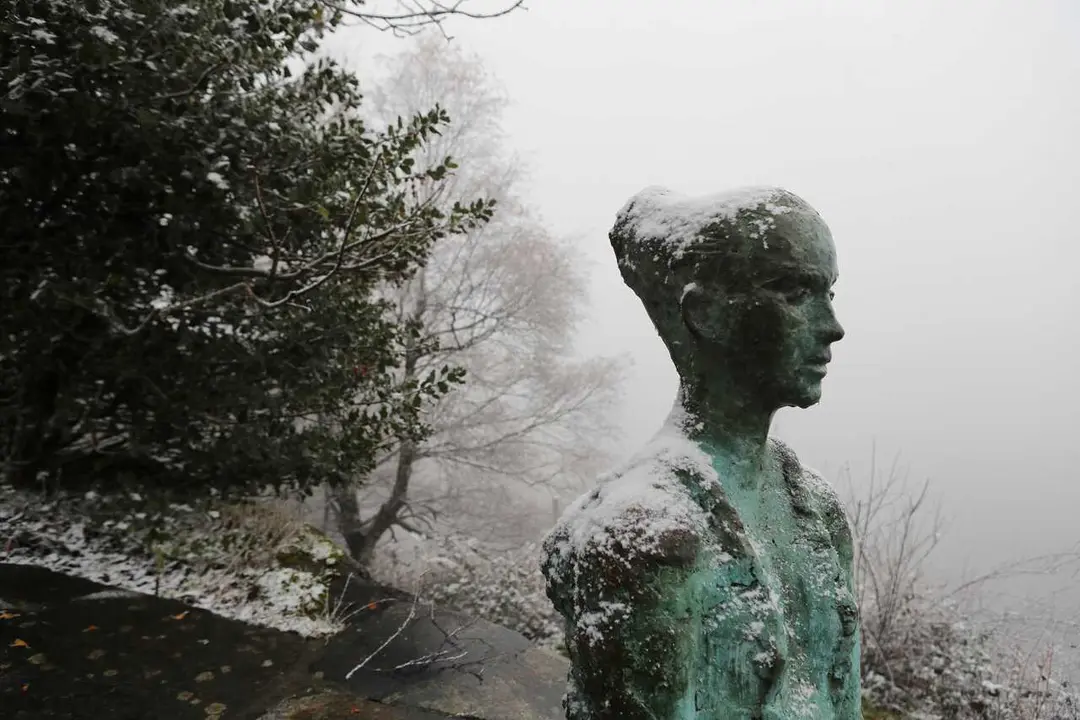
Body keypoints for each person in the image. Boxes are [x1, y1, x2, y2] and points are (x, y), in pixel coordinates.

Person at [541, 186, 861, 720]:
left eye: (829, 292)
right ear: (706, 314)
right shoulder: (644, 533)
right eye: (794, 291)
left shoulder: (818, 512)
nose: (833, 327)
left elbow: (841, 696)